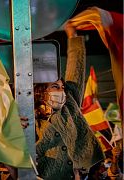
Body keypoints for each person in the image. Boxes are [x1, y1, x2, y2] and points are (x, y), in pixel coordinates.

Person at [33, 22, 104, 179]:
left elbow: (76, 67)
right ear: (40, 92)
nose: (62, 91)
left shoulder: (70, 101)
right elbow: (28, 155)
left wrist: (73, 36)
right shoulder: (29, 116)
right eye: (55, 87)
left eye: (62, 86)